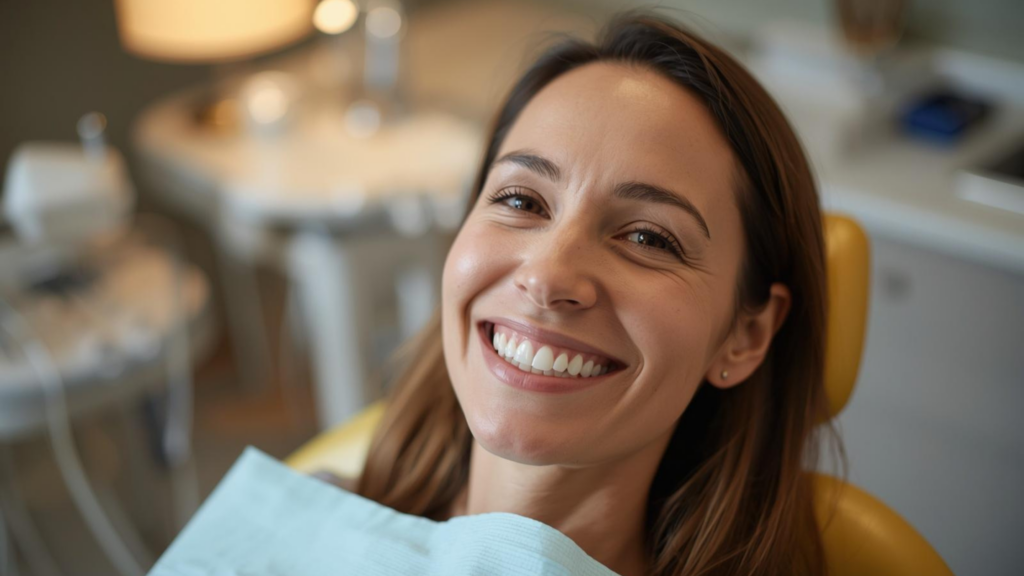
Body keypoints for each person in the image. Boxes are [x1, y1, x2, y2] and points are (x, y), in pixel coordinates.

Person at [350, 12, 833, 576]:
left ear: (744, 336)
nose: (548, 277)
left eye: (648, 237)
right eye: (521, 201)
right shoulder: (305, 514)